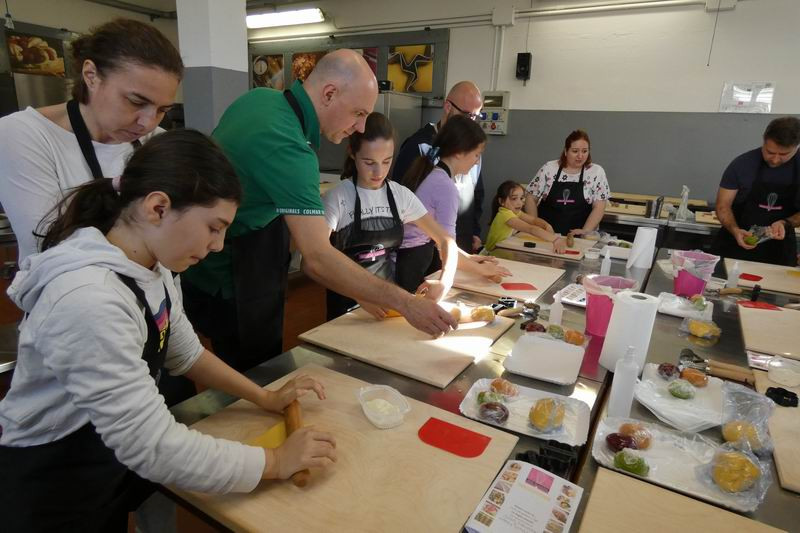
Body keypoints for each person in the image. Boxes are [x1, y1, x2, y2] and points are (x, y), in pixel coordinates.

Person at [0, 130, 337, 532]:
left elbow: (184, 351)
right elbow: (152, 446)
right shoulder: (88, 299)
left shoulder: (154, 269)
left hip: (102, 461)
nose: (218, 245)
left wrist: (264, 397)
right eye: (214, 227)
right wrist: (277, 461)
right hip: (52, 484)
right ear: (158, 207)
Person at [181, 50, 457, 373]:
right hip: (232, 271)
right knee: (257, 375)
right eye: (358, 113)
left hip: (209, 259)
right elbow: (317, 258)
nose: (360, 127)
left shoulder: (259, 99)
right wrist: (407, 303)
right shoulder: (291, 150)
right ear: (329, 94)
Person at [0, 18, 182, 263]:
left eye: (163, 110)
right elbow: (48, 243)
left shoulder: (156, 141)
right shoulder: (24, 134)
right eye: (137, 102)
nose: (148, 122)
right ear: (91, 75)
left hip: (157, 298)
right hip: (76, 296)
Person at [323, 112, 509, 319]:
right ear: (352, 153)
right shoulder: (337, 197)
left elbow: (445, 241)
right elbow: (317, 260)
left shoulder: (399, 195)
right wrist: (358, 294)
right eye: (369, 162)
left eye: (386, 161)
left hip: (387, 303)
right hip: (347, 306)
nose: (378, 172)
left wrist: (444, 281)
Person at [395, 115, 489, 293]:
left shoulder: (431, 172)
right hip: (410, 260)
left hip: (406, 256)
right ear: (460, 152)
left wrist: (469, 258)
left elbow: (445, 242)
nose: (477, 161)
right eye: (476, 155)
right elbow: (447, 246)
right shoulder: (445, 186)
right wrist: (483, 270)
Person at [393, 81, 486, 253]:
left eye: (476, 117)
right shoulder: (418, 145)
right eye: (466, 115)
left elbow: (477, 194)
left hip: (462, 242)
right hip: (425, 246)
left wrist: (475, 231)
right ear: (448, 106)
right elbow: (400, 197)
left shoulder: (473, 149)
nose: (471, 122)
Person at [713, 116, 800, 266]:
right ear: (764, 140)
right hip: (735, 245)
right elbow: (722, 206)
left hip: (779, 252)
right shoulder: (742, 164)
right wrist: (735, 230)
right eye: (770, 152)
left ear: (796, 147)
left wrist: (785, 223)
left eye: (784, 155)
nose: (775, 159)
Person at [524, 129, 609, 236]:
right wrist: (536, 227)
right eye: (575, 151)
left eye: (584, 151)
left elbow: (599, 207)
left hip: (578, 237)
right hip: (546, 235)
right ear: (565, 151)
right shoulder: (549, 168)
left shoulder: (596, 172)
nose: (580, 156)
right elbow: (531, 198)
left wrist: (585, 231)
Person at [484, 180, 564, 255]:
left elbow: (533, 220)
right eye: (514, 199)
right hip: (492, 253)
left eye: (521, 198)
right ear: (501, 201)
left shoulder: (515, 212)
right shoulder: (505, 215)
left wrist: (546, 225)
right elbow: (530, 229)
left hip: (502, 249)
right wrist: (555, 240)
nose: (519, 203)